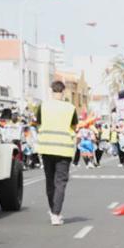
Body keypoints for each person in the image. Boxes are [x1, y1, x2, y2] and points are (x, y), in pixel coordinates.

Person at [35, 80, 77, 226]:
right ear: (64, 92)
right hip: (64, 149)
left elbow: (38, 123)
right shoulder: (70, 108)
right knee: (60, 183)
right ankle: (56, 213)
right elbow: (74, 126)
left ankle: (53, 209)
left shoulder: (43, 106)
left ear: (51, 92)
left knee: (50, 181)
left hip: (46, 148)